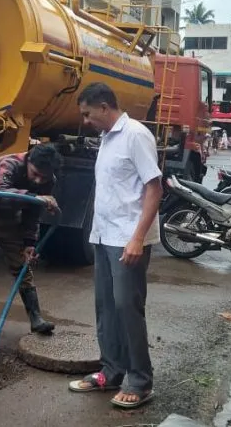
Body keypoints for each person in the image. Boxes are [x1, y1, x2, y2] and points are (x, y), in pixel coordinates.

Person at [67, 82, 162, 409]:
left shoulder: (135, 135)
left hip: (128, 238)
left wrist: (137, 238)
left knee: (127, 308)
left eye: (87, 114)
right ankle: (111, 370)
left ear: (104, 107)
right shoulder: (107, 138)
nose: (86, 120)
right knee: (106, 307)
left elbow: (154, 188)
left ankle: (140, 380)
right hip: (104, 235)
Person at [0, 144, 62, 345]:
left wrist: (29, 242)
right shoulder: (9, 164)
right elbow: (1, 192)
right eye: (35, 174)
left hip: (11, 218)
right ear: (28, 161)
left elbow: (34, 213)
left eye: (44, 177)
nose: (38, 180)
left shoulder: (47, 180)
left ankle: (36, 319)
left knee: (22, 267)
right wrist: (35, 197)